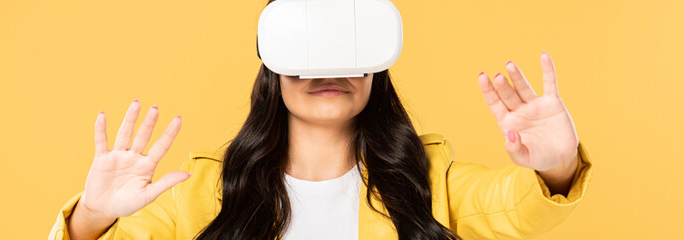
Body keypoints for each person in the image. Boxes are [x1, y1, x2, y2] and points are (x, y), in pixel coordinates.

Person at [47, 49, 593, 239]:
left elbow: (520, 212)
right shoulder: (197, 191)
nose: (328, 69)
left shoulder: (429, 179)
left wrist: (558, 164)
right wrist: (91, 217)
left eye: (347, 48)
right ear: (272, 64)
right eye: (307, 49)